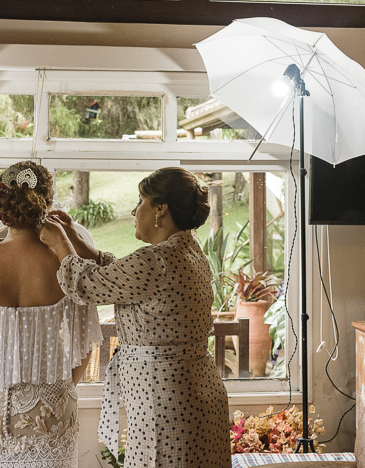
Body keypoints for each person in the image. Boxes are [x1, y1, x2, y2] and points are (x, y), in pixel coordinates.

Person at [41, 167, 230, 468]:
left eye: (140, 200)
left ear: (160, 209)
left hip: (166, 402)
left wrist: (59, 244)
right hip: (195, 393)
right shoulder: (188, 251)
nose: (133, 210)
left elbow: (85, 284)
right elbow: (119, 274)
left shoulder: (156, 260)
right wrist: (74, 238)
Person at [0, 161, 102, 468]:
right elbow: (86, 346)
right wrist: (60, 390)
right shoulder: (68, 265)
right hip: (51, 411)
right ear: (47, 203)